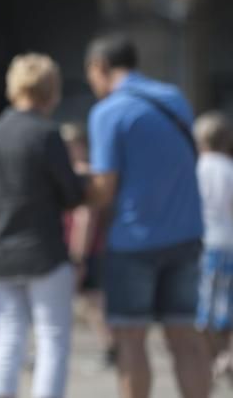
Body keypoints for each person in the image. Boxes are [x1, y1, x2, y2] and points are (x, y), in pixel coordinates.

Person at [84, 33, 211, 398]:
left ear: (100, 67)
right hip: (186, 235)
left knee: (130, 341)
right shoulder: (175, 99)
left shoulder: (108, 112)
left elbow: (105, 188)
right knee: (186, 340)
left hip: (133, 240)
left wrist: (77, 185)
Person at [0, 54, 87, 398]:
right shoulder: (47, 135)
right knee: (52, 338)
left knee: (8, 337)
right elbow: (70, 194)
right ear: (50, 91)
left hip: (0, 251)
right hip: (44, 250)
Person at [60, 122, 115, 368]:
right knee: (90, 303)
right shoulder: (83, 172)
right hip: (89, 248)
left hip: (85, 249)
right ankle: (110, 347)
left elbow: (85, 218)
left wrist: (78, 254)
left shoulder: (82, 173)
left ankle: (111, 347)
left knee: (90, 303)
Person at [192, 111, 233, 382]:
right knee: (227, 304)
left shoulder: (196, 169)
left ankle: (210, 358)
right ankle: (227, 356)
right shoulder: (229, 169)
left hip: (205, 242)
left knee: (203, 306)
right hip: (230, 241)